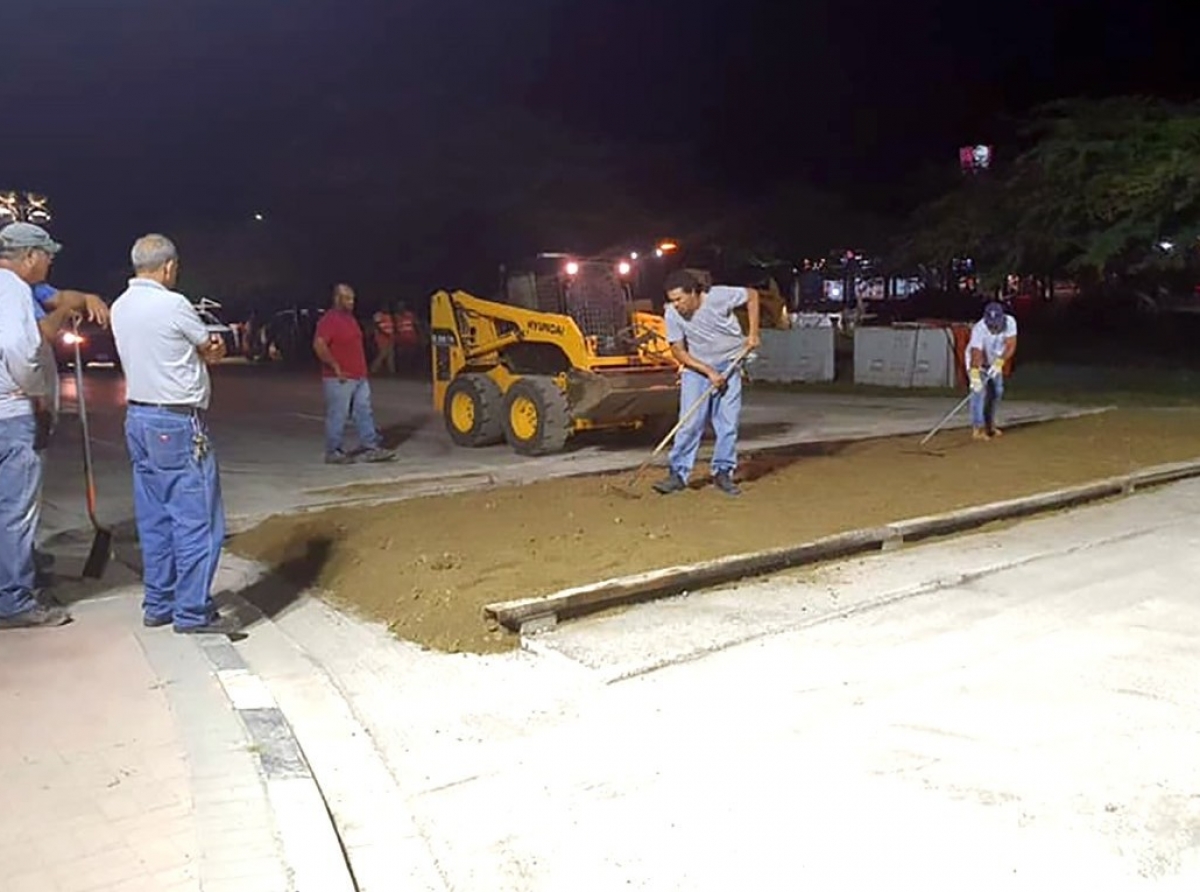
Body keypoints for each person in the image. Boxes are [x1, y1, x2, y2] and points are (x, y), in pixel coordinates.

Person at [110, 234, 239, 635]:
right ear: (168, 267)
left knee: (155, 518)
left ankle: (159, 602)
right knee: (197, 520)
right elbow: (208, 347)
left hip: (139, 420)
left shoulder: (120, 306)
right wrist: (212, 350)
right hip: (177, 422)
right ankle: (192, 611)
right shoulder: (173, 304)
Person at [0, 223, 105, 627]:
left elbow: (63, 298)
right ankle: (14, 600)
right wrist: (32, 393)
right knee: (15, 510)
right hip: (10, 412)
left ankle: (17, 567)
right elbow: (22, 346)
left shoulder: (21, 288)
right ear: (29, 256)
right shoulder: (11, 289)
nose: (51, 262)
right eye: (47, 256)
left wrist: (80, 300)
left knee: (8, 508)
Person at [653, 269, 760, 497]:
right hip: (697, 369)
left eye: (680, 299)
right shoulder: (672, 314)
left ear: (694, 293)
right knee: (690, 422)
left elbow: (752, 295)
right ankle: (678, 474)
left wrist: (753, 333)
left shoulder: (719, 297)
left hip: (731, 363)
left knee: (727, 424)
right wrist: (708, 371)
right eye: (672, 300)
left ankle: (723, 472)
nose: (676, 305)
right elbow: (678, 351)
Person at [312, 283, 395, 464]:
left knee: (364, 412)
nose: (352, 302)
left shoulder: (350, 319)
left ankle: (371, 447)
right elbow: (319, 345)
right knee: (338, 414)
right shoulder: (329, 320)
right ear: (337, 299)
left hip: (359, 376)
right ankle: (333, 452)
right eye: (348, 299)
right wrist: (335, 367)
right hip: (340, 378)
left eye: (353, 299)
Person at [966, 300, 1018, 441]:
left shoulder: (1010, 322)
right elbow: (976, 354)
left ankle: (989, 425)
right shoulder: (979, 329)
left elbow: (1011, 346)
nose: (994, 327)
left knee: (997, 391)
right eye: (991, 325)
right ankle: (978, 428)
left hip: (995, 360)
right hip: (977, 362)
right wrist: (975, 376)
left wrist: (999, 362)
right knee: (979, 393)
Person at [370, 304, 397, 375]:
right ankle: (373, 369)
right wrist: (384, 333)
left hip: (390, 337)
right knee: (383, 354)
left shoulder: (389, 316)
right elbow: (376, 325)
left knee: (391, 355)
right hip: (382, 337)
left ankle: (392, 371)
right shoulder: (378, 315)